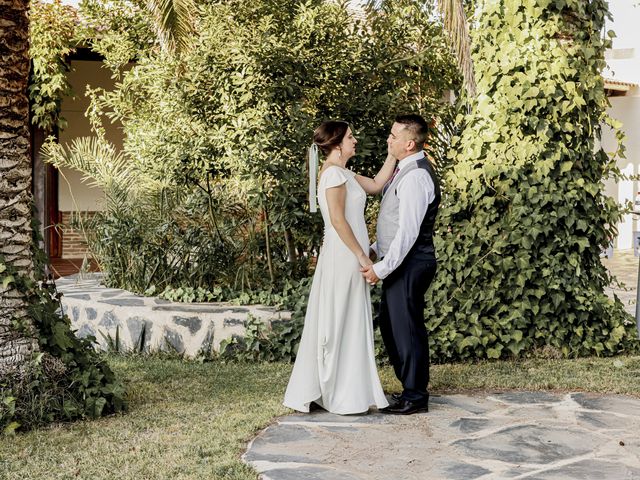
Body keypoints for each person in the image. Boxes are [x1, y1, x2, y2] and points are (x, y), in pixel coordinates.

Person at [283, 120, 397, 415]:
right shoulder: (333, 175)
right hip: (345, 256)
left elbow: (375, 185)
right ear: (336, 144)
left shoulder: (343, 173)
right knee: (341, 318)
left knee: (350, 317)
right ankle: (337, 391)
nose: (354, 140)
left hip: (350, 255)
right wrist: (362, 255)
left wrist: (392, 153)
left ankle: (347, 388)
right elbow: (337, 220)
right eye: (350, 137)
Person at [361, 114, 441, 415]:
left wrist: (380, 269)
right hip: (400, 263)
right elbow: (395, 223)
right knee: (393, 327)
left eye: (394, 136)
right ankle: (410, 389)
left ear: (409, 143)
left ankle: (416, 396)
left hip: (411, 264)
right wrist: (372, 250)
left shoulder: (417, 177)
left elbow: (408, 234)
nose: (388, 139)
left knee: (406, 329)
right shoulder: (405, 170)